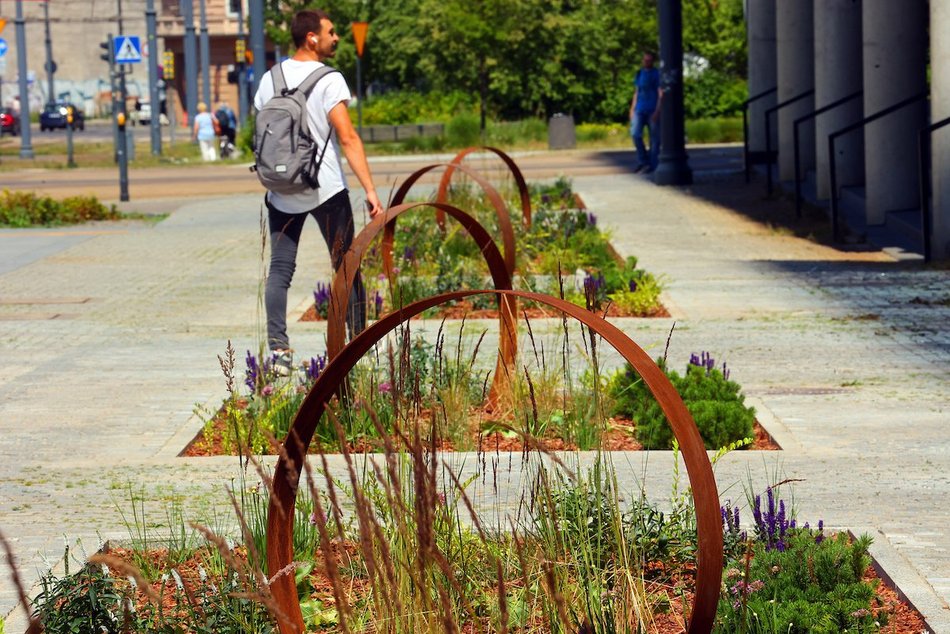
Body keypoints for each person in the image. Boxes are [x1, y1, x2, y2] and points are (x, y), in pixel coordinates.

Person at [253, 8, 383, 376]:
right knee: (347, 267)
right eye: (331, 32)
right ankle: (357, 345)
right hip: (325, 189)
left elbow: (264, 132)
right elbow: (348, 137)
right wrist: (370, 190)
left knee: (279, 270)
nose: (336, 37)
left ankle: (279, 352)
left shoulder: (269, 78)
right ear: (312, 37)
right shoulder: (329, 79)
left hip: (281, 190)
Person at [629, 51, 663, 174]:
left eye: (649, 60)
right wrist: (632, 108)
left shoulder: (657, 74)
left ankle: (652, 165)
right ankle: (643, 161)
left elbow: (660, 93)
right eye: (645, 60)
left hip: (652, 109)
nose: (647, 62)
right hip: (640, 109)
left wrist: (657, 111)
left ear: (652, 62)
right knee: (635, 133)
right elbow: (637, 92)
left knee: (654, 139)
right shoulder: (639, 74)